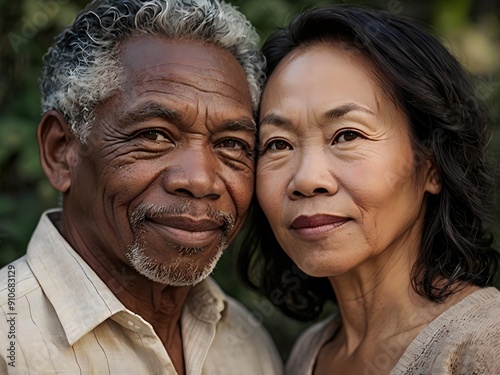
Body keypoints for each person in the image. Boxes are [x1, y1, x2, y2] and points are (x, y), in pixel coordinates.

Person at [0, 0, 284, 374]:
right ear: (60, 152)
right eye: (153, 135)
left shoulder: (249, 345)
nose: (200, 180)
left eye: (231, 143)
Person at [239, 5, 500, 375]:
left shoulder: (484, 345)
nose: (306, 179)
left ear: (432, 164)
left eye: (348, 135)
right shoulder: (308, 354)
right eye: (278, 144)